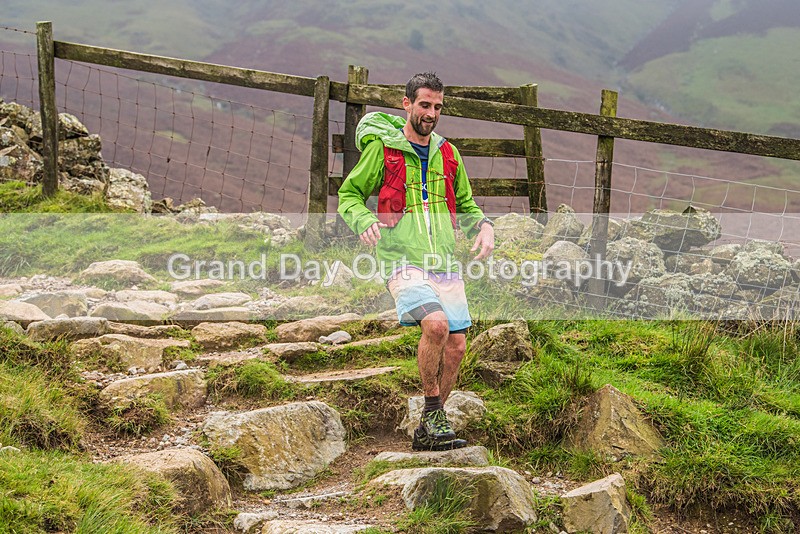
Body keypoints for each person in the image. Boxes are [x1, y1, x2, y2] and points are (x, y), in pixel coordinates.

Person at [337, 72, 495, 451]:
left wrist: (484, 226)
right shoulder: (384, 150)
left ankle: (430, 426)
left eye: (438, 107)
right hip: (400, 259)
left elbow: (468, 204)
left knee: (457, 345)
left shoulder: (448, 153)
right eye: (424, 105)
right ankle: (432, 410)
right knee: (437, 327)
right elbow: (349, 195)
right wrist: (363, 221)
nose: (431, 113)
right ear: (406, 104)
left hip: (443, 262)